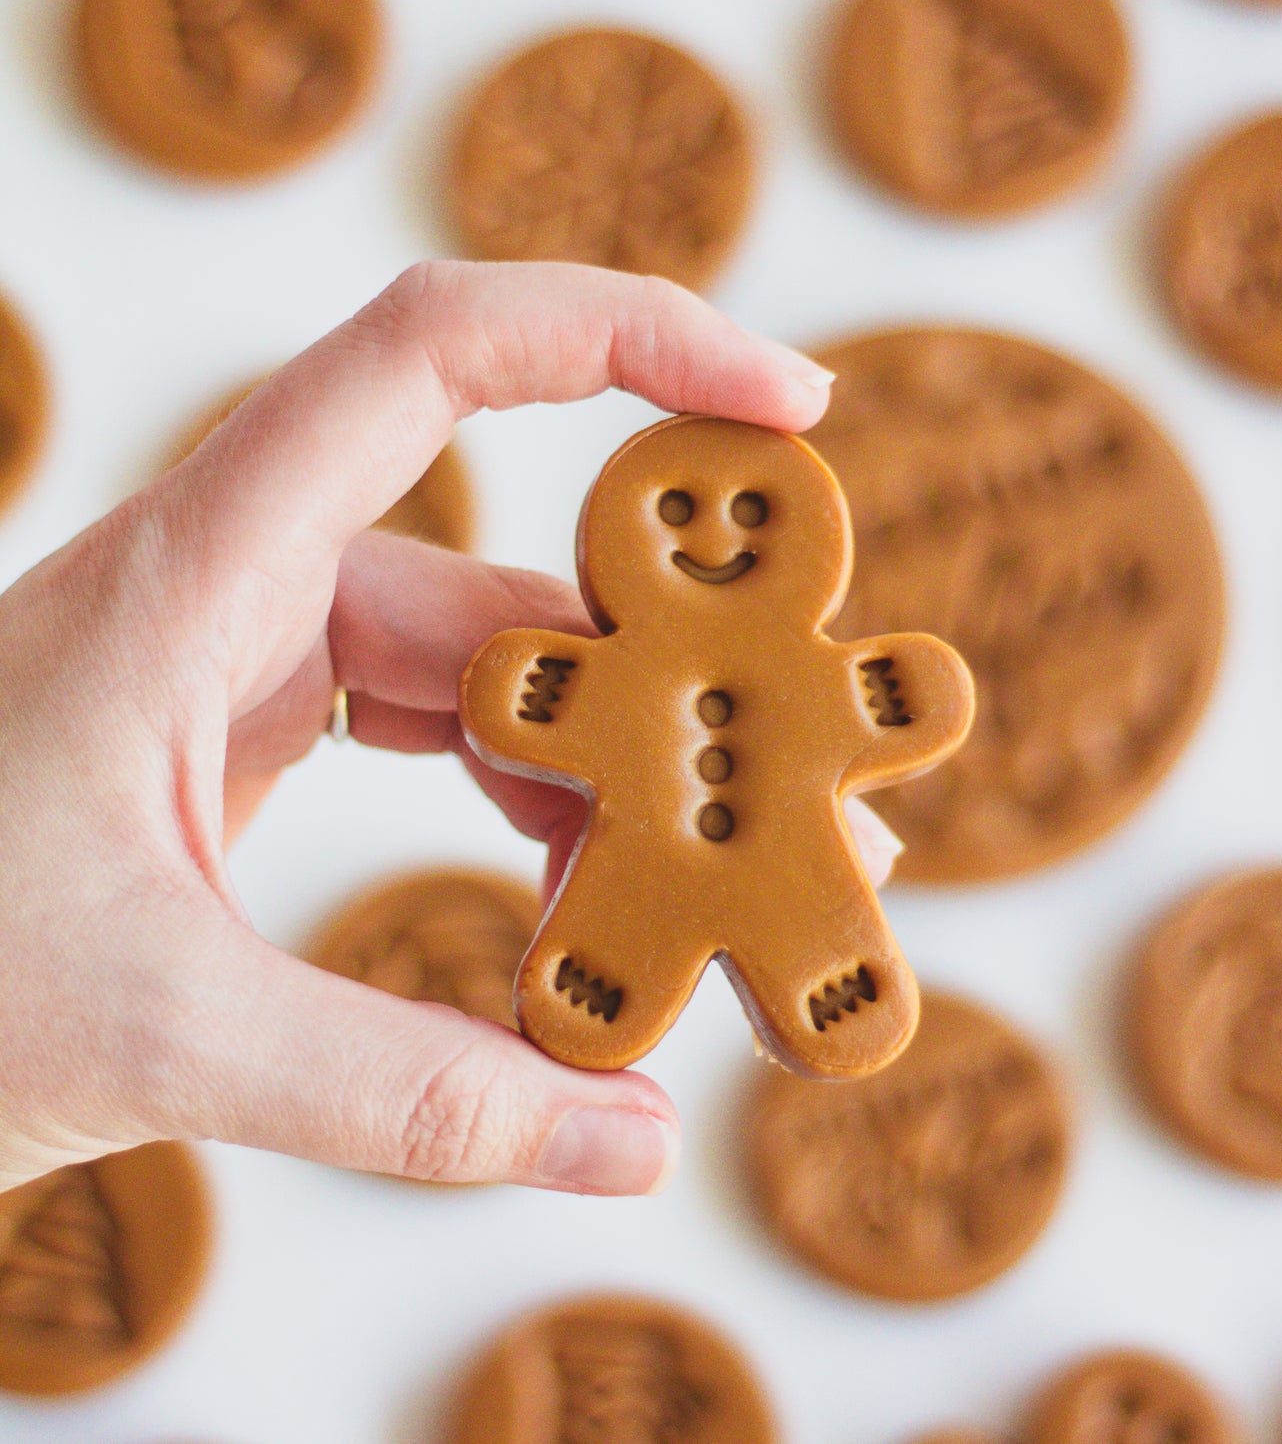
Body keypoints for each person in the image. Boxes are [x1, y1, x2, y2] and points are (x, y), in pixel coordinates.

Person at [0, 261, 903, 1198]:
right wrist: (533, 694)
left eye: (751, 510)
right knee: (616, 938)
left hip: (788, 858)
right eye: (678, 508)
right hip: (643, 865)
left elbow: (886, 698)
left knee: (811, 926)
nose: (714, 530)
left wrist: (886, 695)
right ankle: (600, 981)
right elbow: (525, 690)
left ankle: (827, 990)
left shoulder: (802, 668)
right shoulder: (625, 665)